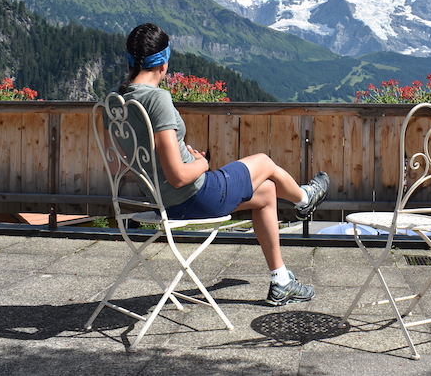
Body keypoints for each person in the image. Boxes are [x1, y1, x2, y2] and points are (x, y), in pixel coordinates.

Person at [117, 22, 329, 306]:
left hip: (160, 200)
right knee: (264, 162)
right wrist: (201, 162)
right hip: (194, 197)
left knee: (266, 193)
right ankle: (305, 199)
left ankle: (281, 282)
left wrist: (182, 155)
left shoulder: (117, 101)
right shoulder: (157, 99)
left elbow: (135, 157)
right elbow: (179, 177)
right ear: (164, 64)